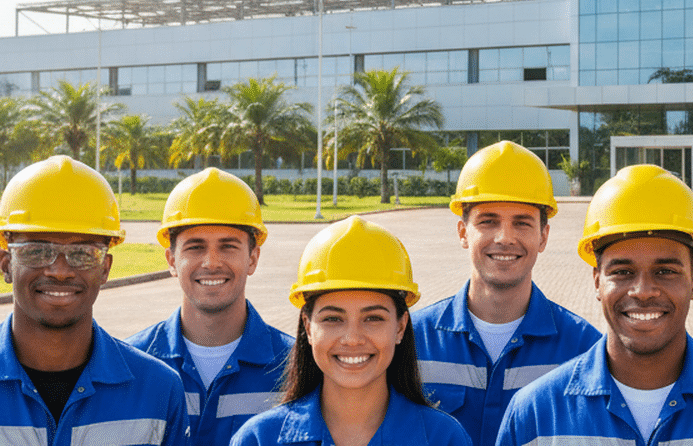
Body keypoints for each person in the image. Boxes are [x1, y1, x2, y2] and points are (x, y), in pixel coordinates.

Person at [496, 164, 693, 446]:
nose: (642, 291)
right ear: (597, 281)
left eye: (665, 271)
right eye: (622, 272)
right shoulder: (533, 418)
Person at [412, 140, 599, 446]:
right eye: (488, 221)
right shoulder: (413, 342)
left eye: (521, 223)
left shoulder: (584, 349)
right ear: (463, 232)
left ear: (543, 236)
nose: (505, 238)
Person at [230, 214, 469, 446]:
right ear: (308, 327)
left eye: (373, 318)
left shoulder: (444, 438)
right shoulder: (259, 440)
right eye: (333, 319)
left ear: (400, 326)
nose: (352, 339)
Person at [0, 155, 189, 445]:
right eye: (36, 250)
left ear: (105, 269)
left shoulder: (158, 390)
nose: (60, 271)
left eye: (83, 254)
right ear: (5, 264)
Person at [127, 168, 294, 446]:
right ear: (171, 260)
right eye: (195, 247)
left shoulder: (294, 367)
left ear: (253, 258)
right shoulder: (130, 366)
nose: (212, 262)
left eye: (228, 246)